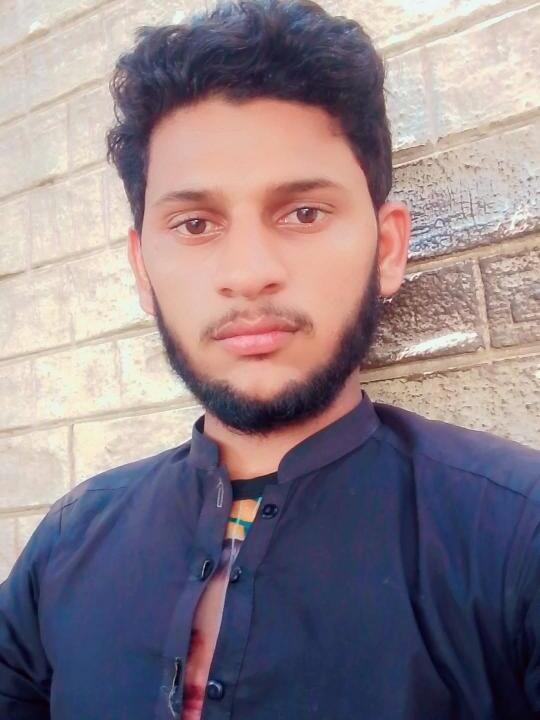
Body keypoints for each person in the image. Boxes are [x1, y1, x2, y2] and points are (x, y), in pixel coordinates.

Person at [1, 0, 539, 717]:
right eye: (195, 223)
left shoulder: (516, 533)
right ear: (142, 269)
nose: (249, 272)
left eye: (303, 213)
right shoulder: (68, 543)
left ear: (386, 249)